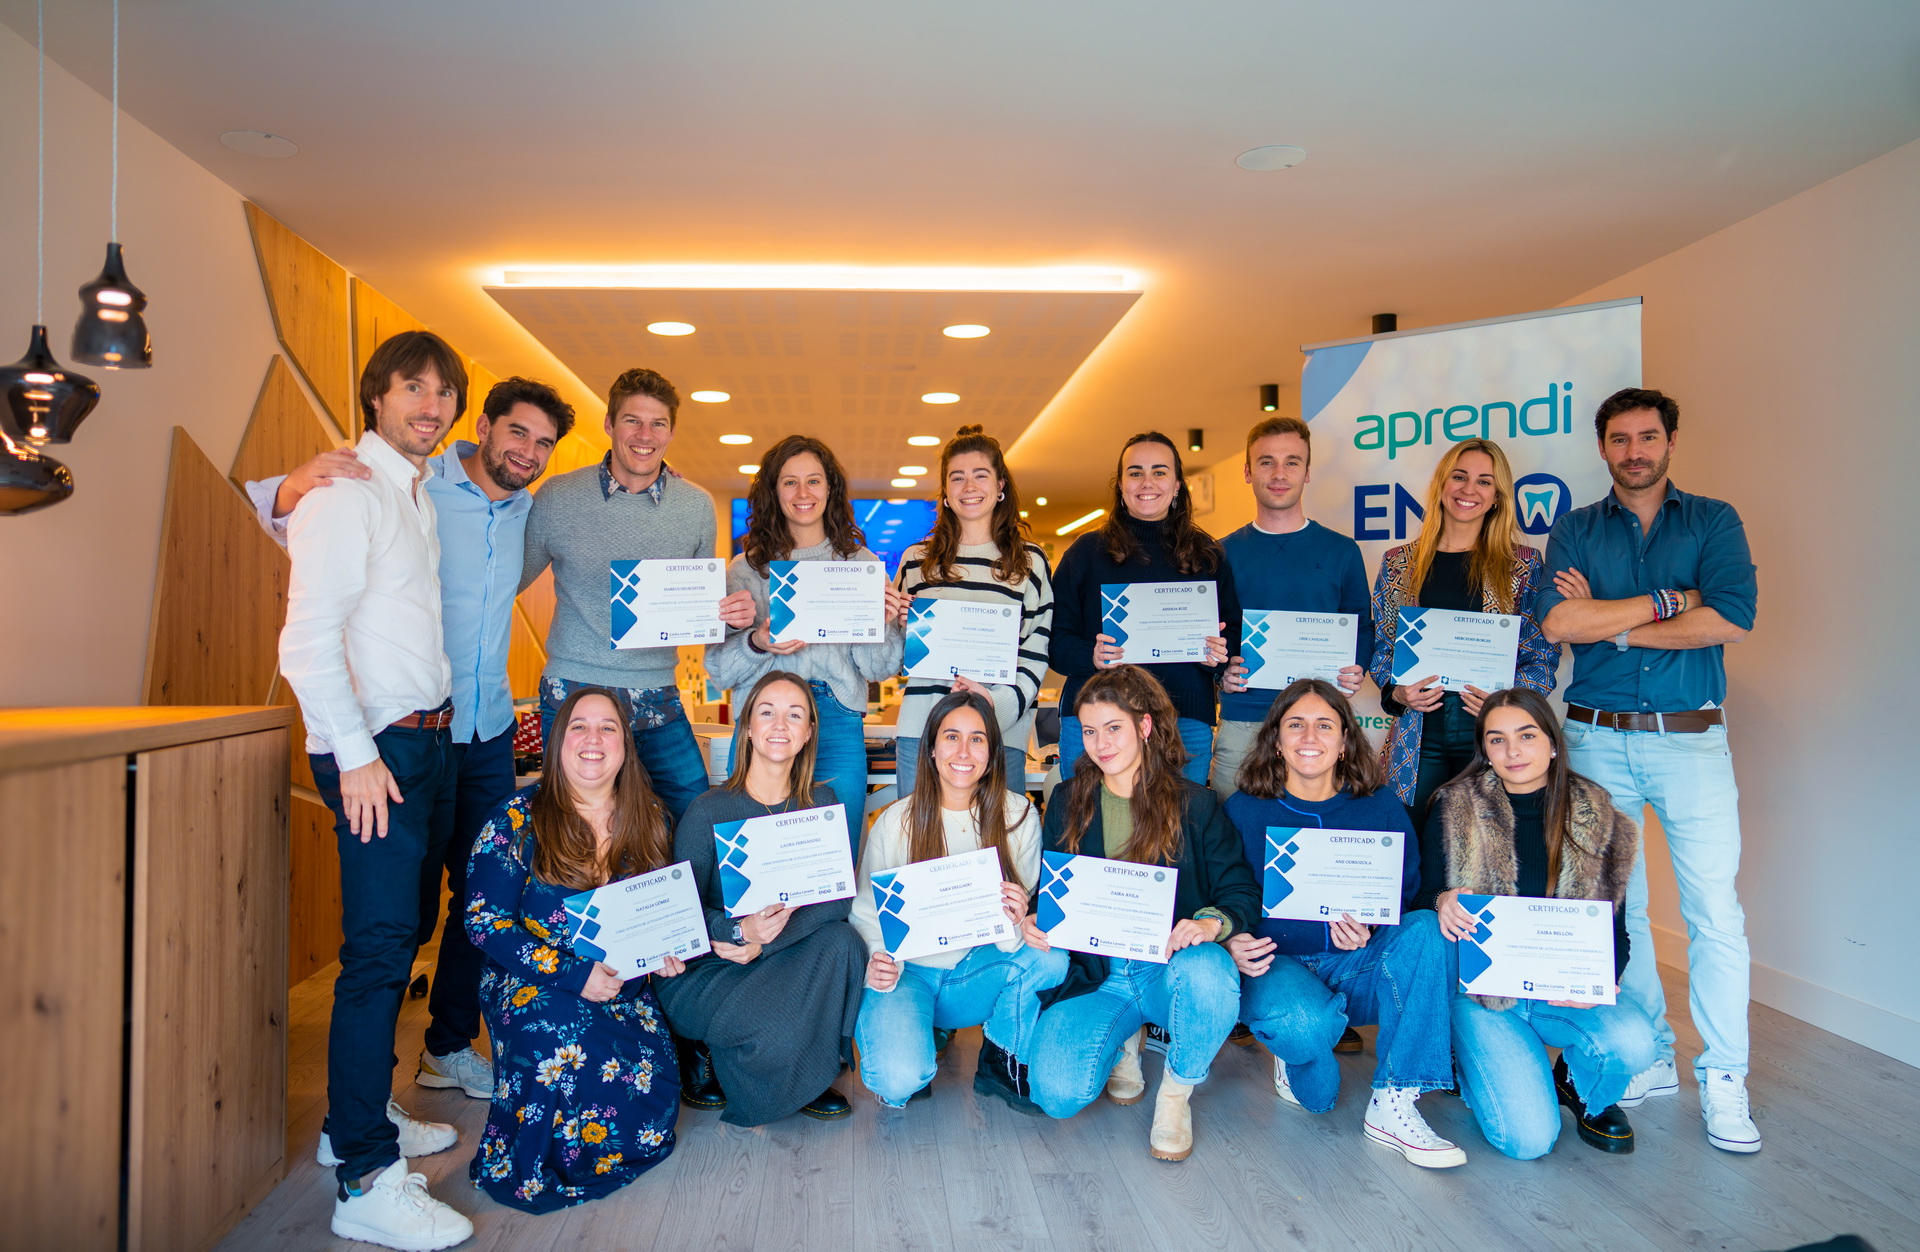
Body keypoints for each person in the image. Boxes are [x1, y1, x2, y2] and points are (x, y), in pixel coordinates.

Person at [251, 374, 574, 1108]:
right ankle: (370, 1096)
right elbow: (312, 517)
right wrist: (292, 486)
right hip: (414, 733)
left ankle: (448, 1047)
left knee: (485, 896)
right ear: (482, 426)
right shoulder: (416, 483)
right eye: (517, 432)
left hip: (488, 729)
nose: (528, 451)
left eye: (544, 443)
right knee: (407, 913)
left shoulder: (529, 510)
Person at [278, 330, 473, 1249]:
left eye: (443, 393)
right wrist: (356, 756)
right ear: (377, 396)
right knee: (379, 956)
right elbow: (306, 641)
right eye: (413, 389)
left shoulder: (412, 493)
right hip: (379, 753)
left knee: (405, 936)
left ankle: (352, 1119)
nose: (431, 406)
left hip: (422, 743)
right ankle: (363, 1174)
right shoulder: (345, 492)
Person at [1535, 387, 1760, 1154]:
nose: (1635, 451)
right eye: (1621, 439)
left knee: (1714, 914)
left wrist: (1618, 625)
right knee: (1620, 912)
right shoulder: (1576, 528)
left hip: (1690, 740)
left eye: (1648, 437)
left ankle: (1724, 1076)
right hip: (1597, 740)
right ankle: (1654, 1053)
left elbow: (1729, 618)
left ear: (1670, 442)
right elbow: (1561, 622)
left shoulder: (1713, 521)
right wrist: (1668, 603)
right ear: (1603, 447)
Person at [1224, 679, 1465, 1169]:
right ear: (1276, 739)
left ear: (1345, 740)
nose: (1309, 737)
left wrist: (1371, 928)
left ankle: (1395, 1100)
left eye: (1324, 725)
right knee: (1314, 1082)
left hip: (1355, 963)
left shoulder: (1379, 806)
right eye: (1296, 724)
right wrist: (1231, 939)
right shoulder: (1243, 810)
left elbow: (1406, 893)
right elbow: (1220, 895)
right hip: (1276, 966)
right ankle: (1302, 1040)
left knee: (1426, 929)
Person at [1022, 666, 1259, 1161]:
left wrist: (1211, 922)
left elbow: (1239, 890)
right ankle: (1123, 1038)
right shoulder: (1067, 799)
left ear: (1145, 726)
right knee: (1056, 1095)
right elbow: (1053, 885)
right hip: (1097, 972)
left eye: (1114, 728)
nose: (1101, 744)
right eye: (1090, 731)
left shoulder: (1196, 805)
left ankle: (1176, 1093)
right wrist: (1032, 915)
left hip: (1168, 970)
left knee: (1211, 971)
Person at [464, 687, 683, 1211]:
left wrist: (667, 951)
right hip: (529, 979)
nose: (593, 739)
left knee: (654, 1097)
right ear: (558, 742)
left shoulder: (651, 816)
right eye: (579, 726)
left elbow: (658, 910)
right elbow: (483, 922)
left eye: (608, 727)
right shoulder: (517, 818)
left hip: (621, 982)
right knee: (561, 1046)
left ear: (626, 745)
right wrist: (572, 974)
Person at [519, 366, 757, 824]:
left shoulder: (696, 506)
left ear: (671, 432)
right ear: (609, 424)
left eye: (657, 423)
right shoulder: (558, 497)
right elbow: (506, 582)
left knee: (693, 818)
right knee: (572, 825)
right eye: (632, 421)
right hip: (573, 692)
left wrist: (730, 614)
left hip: (656, 693)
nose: (645, 435)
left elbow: (700, 607)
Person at [1433, 688, 1655, 1159]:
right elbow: (1417, 899)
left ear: (1553, 743)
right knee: (1528, 1141)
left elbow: (1614, 929)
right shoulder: (1454, 807)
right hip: (1484, 997)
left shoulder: (1599, 816)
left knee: (1635, 1043)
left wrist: (1599, 980)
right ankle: (1468, 1061)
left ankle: (1576, 1082)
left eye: (1527, 735)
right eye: (1497, 739)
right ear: (1485, 750)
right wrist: (1440, 900)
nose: (1513, 751)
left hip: (1560, 992)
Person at [652, 670, 869, 1126]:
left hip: (780, 958)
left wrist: (765, 943)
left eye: (795, 715)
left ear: (809, 733)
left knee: (845, 943)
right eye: (767, 712)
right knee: (781, 1016)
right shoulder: (708, 809)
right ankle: (714, 1049)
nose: (779, 725)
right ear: (748, 726)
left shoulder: (821, 802)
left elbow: (836, 901)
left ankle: (803, 1072)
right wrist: (738, 931)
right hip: (714, 967)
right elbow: (679, 913)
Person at [1367, 438, 1559, 904]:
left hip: (1489, 736)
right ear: (1441, 484)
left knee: (1489, 855)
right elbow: (1381, 650)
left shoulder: (1522, 566)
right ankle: (1416, 942)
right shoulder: (1399, 563)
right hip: (1419, 737)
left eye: (1484, 481)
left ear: (1497, 497)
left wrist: (1505, 701)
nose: (1469, 489)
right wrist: (1398, 691)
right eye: (1459, 476)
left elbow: (1543, 658)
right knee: (1411, 856)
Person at [852, 692, 1067, 1106]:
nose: (964, 751)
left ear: (992, 751)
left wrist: (1018, 916)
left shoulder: (1019, 815)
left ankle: (1002, 1052)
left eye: (977, 739)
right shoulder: (896, 820)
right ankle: (918, 1032)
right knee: (898, 1081)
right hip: (907, 974)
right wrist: (876, 961)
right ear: (932, 748)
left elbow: (1015, 934)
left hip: (975, 972)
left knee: (1051, 958)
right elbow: (865, 913)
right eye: (951, 737)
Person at [705, 435, 909, 820]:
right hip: (764, 724)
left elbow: (879, 669)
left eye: (814, 480)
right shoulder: (745, 570)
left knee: (836, 851)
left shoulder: (860, 564)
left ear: (830, 489)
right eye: (790, 481)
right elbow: (718, 670)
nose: (803, 492)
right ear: (773, 491)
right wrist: (757, 642)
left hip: (837, 723)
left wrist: (880, 625)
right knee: (758, 846)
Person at [1049, 433, 1236, 786]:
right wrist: (1091, 655)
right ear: (1120, 485)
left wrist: (1218, 656)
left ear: (1177, 485)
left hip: (1184, 721)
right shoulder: (1086, 553)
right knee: (1090, 818)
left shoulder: (1206, 555)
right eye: (1135, 473)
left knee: (1179, 820)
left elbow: (1234, 637)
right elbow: (1053, 640)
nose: (1147, 482)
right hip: (1096, 720)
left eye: (1159, 472)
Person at [1213, 416, 1375, 800]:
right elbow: (1214, 632)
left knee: (1313, 830)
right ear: (1248, 472)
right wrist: (1220, 672)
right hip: (1245, 719)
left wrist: (1356, 666)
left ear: (1307, 472)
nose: (1279, 473)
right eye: (1266, 462)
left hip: (1318, 726)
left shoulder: (1341, 551)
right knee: (1232, 829)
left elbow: (1362, 626)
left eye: (1292, 462)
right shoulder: (1219, 554)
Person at [893, 425, 1054, 794]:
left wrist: (994, 704)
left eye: (981, 475)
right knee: (918, 831)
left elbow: (1036, 651)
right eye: (957, 477)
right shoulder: (916, 561)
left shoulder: (1030, 562)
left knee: (998, 831)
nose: (969, 486)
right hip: (923, 729)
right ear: (946, 492)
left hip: (998, 732)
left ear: (1000, 487)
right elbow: (894, 658)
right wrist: (896, 625)